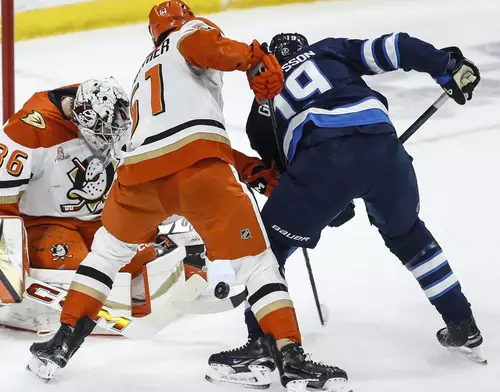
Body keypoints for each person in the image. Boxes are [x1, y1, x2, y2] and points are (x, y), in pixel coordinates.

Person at [26, 1, 350, 390]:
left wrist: (249, 168)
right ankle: (292, 358)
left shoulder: (144, 71)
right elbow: (208, 51)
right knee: (258, 263)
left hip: (138, 176)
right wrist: (252, 58)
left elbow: (175, 134)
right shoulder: (190, 34)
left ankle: (61, 343)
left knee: (106, 254)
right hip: (199, 174)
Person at [209, 30, 486, 378]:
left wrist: (330, 205)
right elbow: (397, 46)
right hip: (385, 152)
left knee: (267, 248)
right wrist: (446, 66)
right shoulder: (330, 50)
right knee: (408, 235)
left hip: (324, 162)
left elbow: (286, 177)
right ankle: (462, 322)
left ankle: (262, 343)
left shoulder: (261, 106)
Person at [0, 77, 203, 332]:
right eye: (103, 133)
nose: (111, 139)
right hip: (47, 222)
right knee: (77, 271)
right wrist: (1, 260)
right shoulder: (30, 129)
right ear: (83, 119)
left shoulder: (112, 114)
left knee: (136, 260)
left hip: (104, 215)